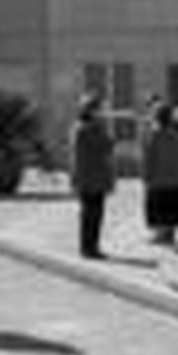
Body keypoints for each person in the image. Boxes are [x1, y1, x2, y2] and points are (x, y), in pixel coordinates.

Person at [142, 101, 178, 247]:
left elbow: (149, 158)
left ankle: (165, 235)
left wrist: (147, 176)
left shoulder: (155, 135)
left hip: (161, 180)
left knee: (163, 210)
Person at [70, 93, 116, 259]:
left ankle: (90, 246)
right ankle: (89, 248)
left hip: (91, 177)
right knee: (91, 214)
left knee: (92, 214)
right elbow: (107, 145)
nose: (102, 112)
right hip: (91, 178)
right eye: (98, 109)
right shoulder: (87, 129)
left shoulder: (83, 127)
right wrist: (105, 129)